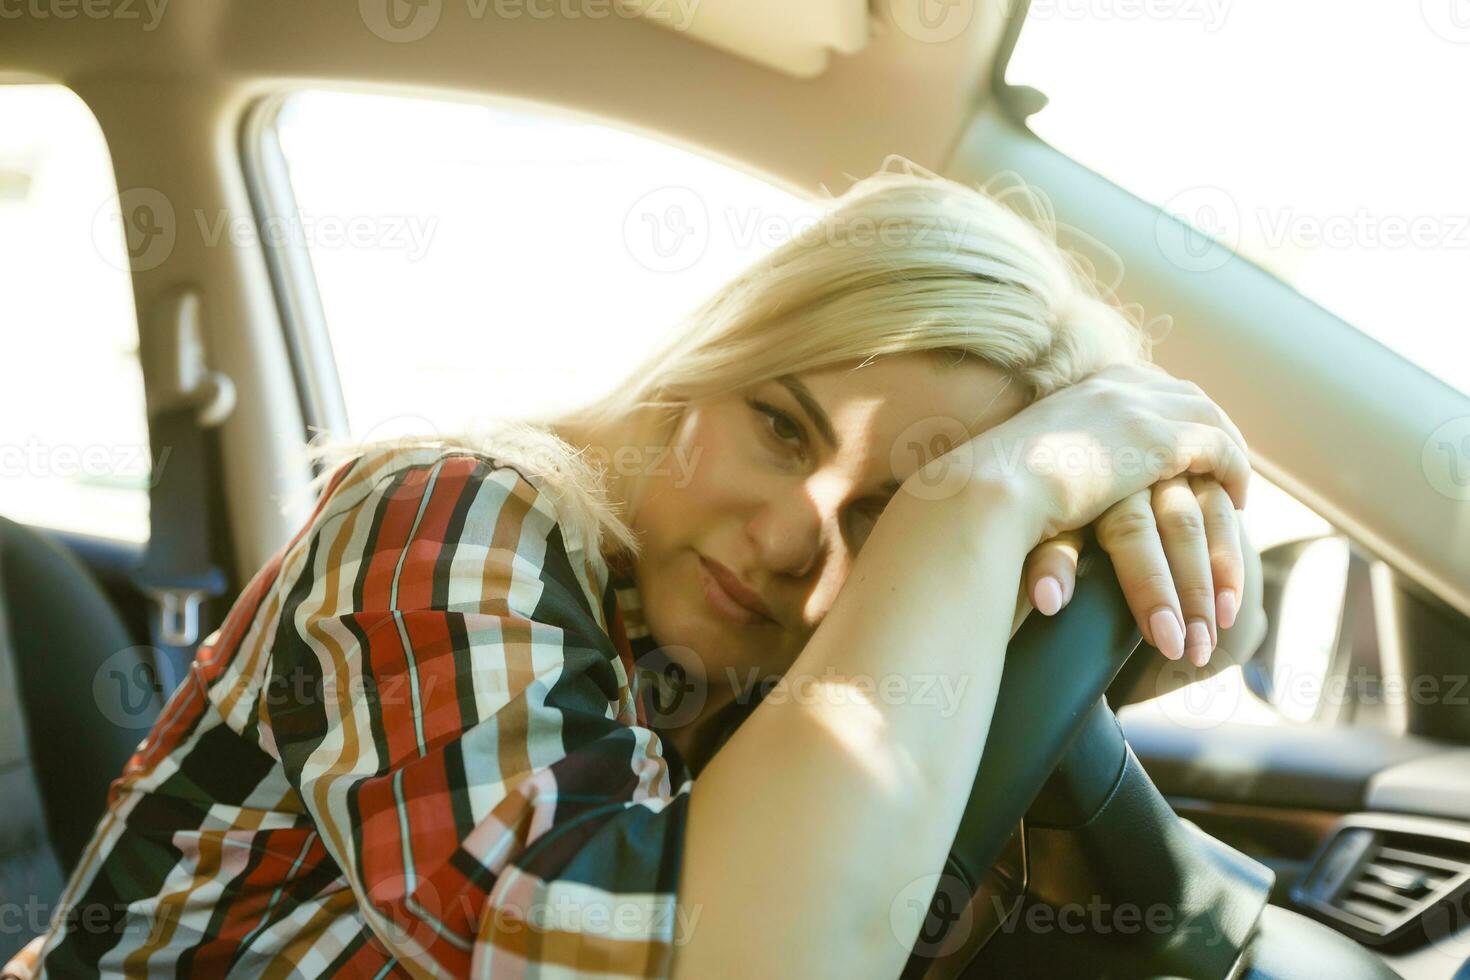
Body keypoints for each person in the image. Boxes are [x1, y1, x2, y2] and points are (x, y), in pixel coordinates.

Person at [15, 165, 1258, 978]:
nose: (787, 539)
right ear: (698, 373)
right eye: (781, 423)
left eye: (884, 517)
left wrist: (1146, 605)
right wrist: (973, 503)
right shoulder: (445, 520)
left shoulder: (786, 682)